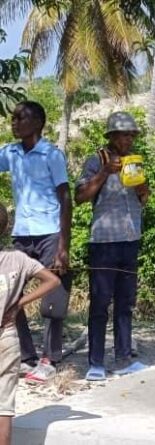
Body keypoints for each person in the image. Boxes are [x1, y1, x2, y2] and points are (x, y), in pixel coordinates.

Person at [0, 101, 72, 384]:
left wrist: (63, 246)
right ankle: (27, 356)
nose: (14, 122)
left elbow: (66, 198)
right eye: (13, 118)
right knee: (9, 294)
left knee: (54, 297)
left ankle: (50, 358)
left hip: (49, 232)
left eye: (21, 118)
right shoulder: (11, 153)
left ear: (38, 123)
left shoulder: (51, 155)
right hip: (22, 232)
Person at [75, 112, 150, 381]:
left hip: (130, 239)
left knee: (126, 302)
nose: (128, 139)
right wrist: (105, 172)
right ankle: (95, 362)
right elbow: (80, 196)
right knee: (100, 303)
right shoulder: (97, 160)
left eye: (131, 134)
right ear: (111, 136)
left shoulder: (135, 162)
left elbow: (143, 199)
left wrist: (143, 188)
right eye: (123, 134)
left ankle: (124, 358)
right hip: (104, 242)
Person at [0, 202, 61, 445]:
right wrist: (18, 304)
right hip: (7, 336)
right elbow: (52, 281)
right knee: (4, 407)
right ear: (5, 229)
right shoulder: (18, 259)